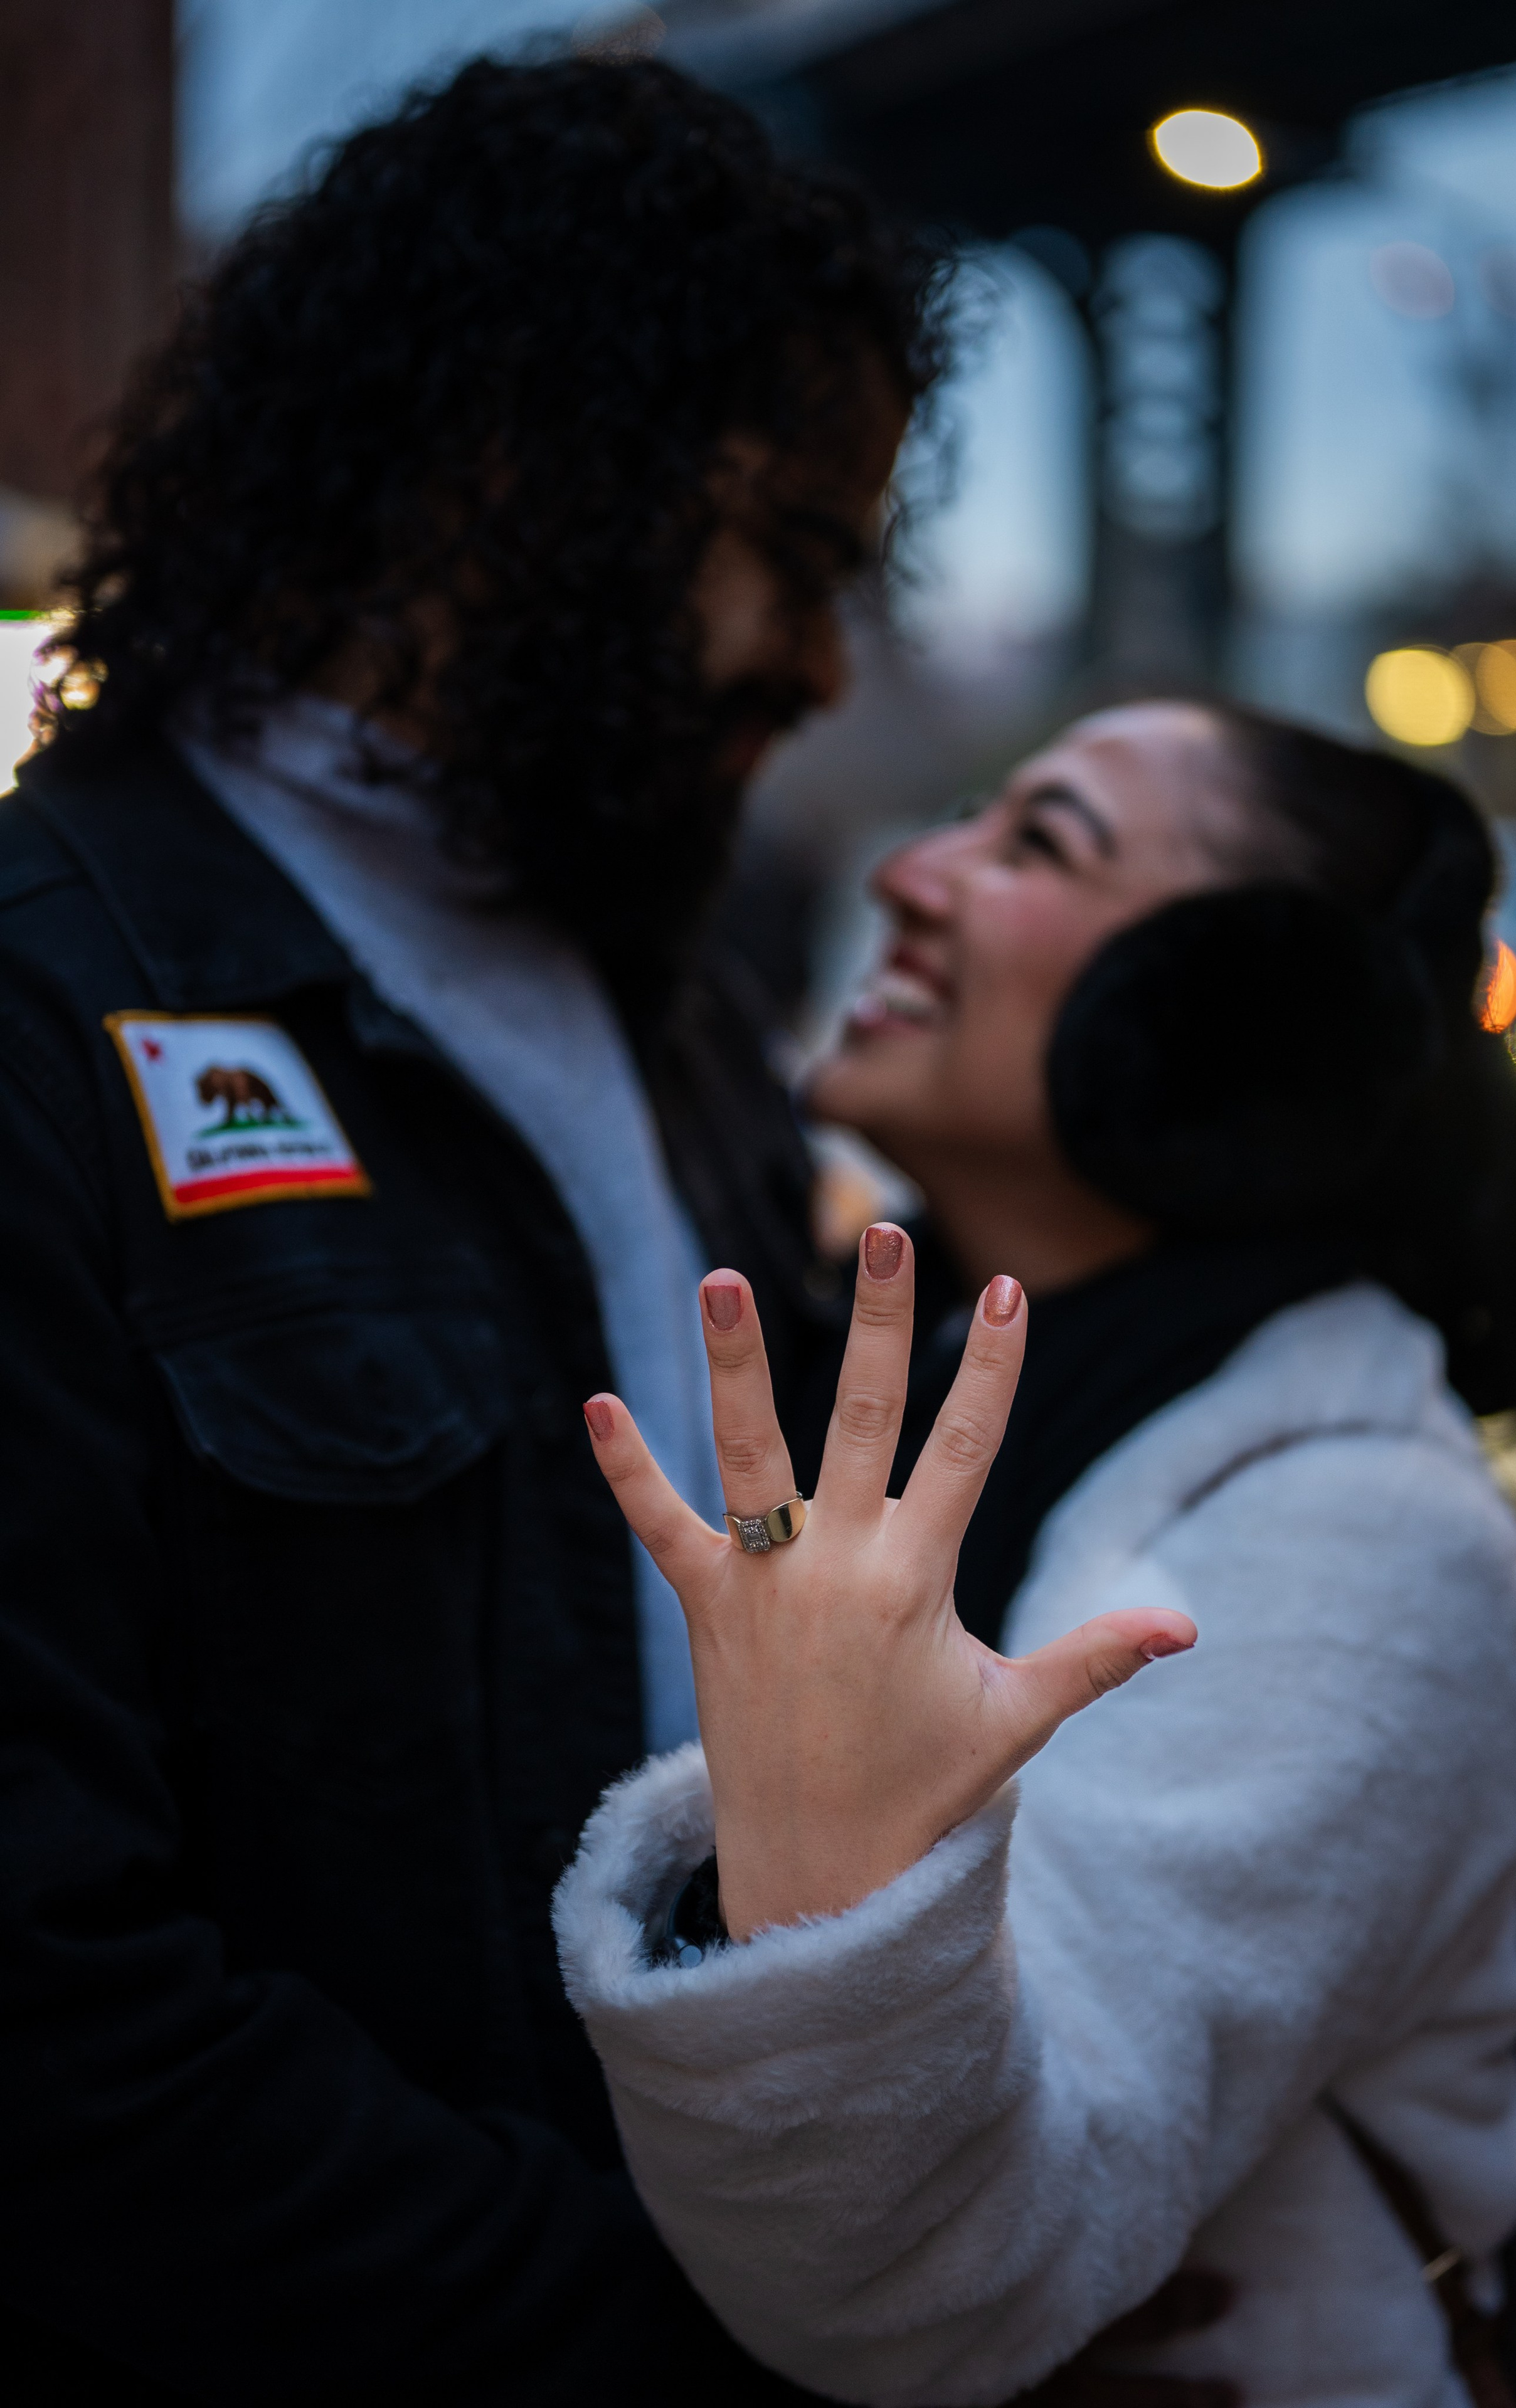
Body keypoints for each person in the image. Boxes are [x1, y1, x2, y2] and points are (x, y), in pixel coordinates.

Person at [0, 55, 947, 2404]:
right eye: (794, 554)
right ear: (515, 466)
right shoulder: (41, 1006)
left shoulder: (675, 1008)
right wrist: (697, 2349)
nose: (825, 671)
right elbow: (49, 2022)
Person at [558, 700, 1516, 2405]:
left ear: (1235, 1012)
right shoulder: (904, 1372)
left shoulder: (1372, 1545)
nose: (905, 875)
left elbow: (923, 2273)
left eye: (1041, 840)